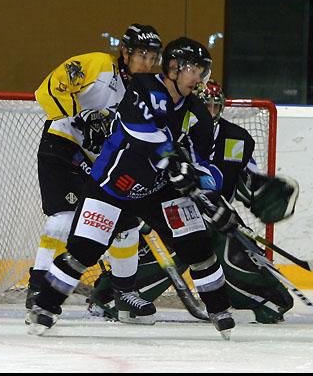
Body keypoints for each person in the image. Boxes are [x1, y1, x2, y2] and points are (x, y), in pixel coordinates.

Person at [27, 37, 248, 339]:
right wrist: (173, 161)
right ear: (173, 67)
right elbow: (139, 132)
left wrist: (214, 199)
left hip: (158, 189)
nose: (199, 78)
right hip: (113, 183)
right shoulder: (143, 87)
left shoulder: (198, 113)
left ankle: (220, 310)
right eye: (194, 70)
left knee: (198, 246)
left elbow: (201, 162)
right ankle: (45, 306)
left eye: (202, 71)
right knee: (84, 251)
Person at [88, 80, 296, 324]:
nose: (209, 111)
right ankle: (112, 298)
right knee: (179, 248)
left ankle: (267, 301)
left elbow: (246, 183)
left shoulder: (238, 139)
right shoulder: (172, 131)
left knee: (237, 248)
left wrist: (263, 194)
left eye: (214, 106)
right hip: (171, 210)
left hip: (215, 213)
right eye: (203, 105)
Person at [26, 24, 163, 325]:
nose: (148, 62)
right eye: (142, 54)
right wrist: (80, 115)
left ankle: (124, 295)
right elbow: (47, 88)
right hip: (63, 148)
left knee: (124, 225)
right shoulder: (97, 65)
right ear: (125, 52)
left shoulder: (147, 92)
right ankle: (39, 288)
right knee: (63, 219)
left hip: (104, 164)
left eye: (153, 57)